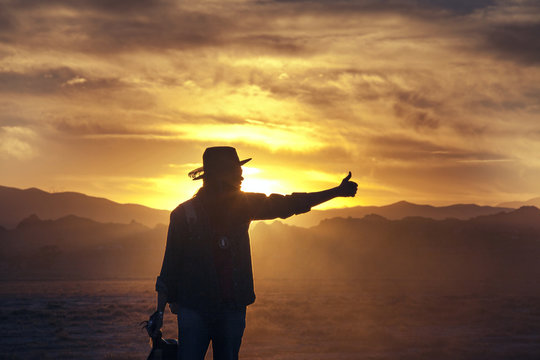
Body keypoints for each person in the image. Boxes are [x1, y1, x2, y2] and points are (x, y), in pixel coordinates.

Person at [150, 146, 357, 360]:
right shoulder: (186, 214)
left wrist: (336, 192)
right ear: (221, 175)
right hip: (202, 310)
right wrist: (160, 313)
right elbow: (170, 268)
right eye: (235, 170)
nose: (241, 175)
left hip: (223, 308)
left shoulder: (240, 205)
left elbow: (289, 204)